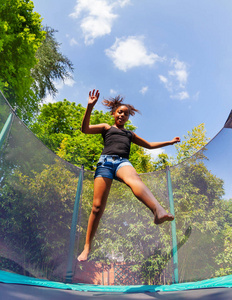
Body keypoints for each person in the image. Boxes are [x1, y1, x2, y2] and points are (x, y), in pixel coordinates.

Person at [77, 89, 180, 261]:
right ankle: (87, 247)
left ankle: (158, 210)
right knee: (96, 207)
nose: (122, 115)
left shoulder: (129, 134)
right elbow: (85, 129)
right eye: (120, 112)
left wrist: (169, 142)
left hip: (122, 162)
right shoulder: (106, 128)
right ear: (113, 114)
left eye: (126, 114)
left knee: (134, 179)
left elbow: (149, 145)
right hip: (105, 163)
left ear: (128, 118)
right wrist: (89, 107)